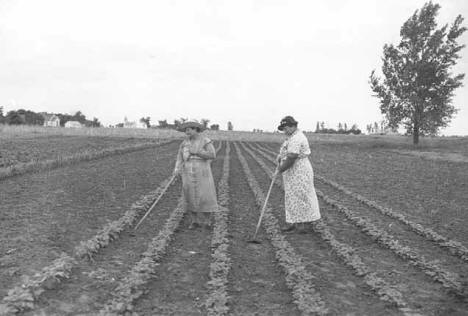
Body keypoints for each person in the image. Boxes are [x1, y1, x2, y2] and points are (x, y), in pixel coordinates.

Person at [276, 116, 321, 233]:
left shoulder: (297, 138)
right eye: (283, 129)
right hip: (293, 171)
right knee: (292, 196)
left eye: (285, 128)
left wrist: (281, 169)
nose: (284, 131)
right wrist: (280, 156)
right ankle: (294, 221)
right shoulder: (291, 137)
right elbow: (287, 152)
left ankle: (303, 225)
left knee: (300, 195)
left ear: (293, 126)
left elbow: (291, 157)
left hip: (299, 171)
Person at [173, 121, 218, 228]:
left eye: (188, 129)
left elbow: (212, 155)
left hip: (202, 171)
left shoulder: (206, 141)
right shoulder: (184, 143)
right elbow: (179, 157)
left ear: (195, 129)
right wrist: (176, 168)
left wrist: (198, 152)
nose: (186, 132)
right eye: (185, 130)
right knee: (189, 195)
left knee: (205, 195)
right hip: (187, 171)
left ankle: (207, 221)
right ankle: (194, 221)